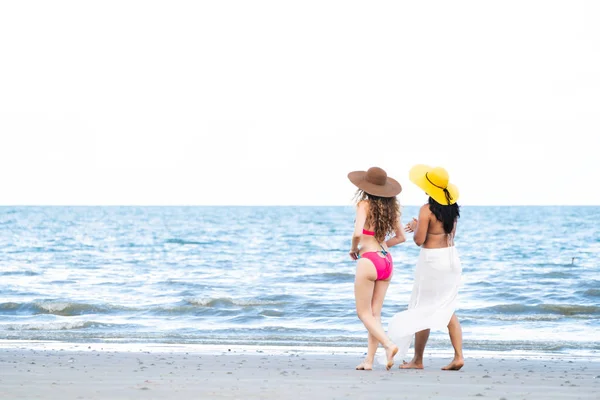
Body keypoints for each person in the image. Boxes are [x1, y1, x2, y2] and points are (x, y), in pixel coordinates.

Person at [385, 165, 464, 371]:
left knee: (423, 307)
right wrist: (420, 224)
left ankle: (418, 360)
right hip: (452, 258)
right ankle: (458, 356)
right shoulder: (453, 208)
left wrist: (416, 226)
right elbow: (448, 234)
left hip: (432, 261)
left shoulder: (426, 210)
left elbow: (419, 241)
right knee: (448, 307)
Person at [347, 167, 406, 370]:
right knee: (375, 314)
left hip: (369, 260)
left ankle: (389, 345)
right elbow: (401, 237)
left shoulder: (364, 204)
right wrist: (381, 247)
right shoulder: (391, 209)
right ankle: (369, 361)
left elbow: (356, 234)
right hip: (386, 260)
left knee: (363, 313)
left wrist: (355, 249)